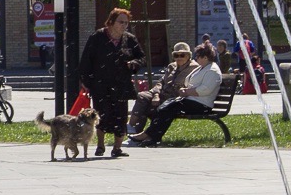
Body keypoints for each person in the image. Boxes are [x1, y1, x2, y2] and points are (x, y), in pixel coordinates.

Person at [77, 8, 144, 158]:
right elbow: (86, 60)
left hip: (121, 84)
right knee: (101, 114)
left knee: (120, 116)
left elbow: (141, 57)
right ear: (111, 22)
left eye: (126, 23)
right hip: (100, 83)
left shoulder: (129, 39)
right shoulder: (97, 37)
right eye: (121, 22)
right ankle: (100, 145)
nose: (124, 25)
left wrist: (134, 63)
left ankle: (117, 148)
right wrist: (86, 80)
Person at [129, 45, 223, 146]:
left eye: (198, 56)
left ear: (205, 57)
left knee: (168, 108)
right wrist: (185, 90)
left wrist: (187, 92)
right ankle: (152, 137)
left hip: (202, 104)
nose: (196, 58)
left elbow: (205, 90)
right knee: (164, 108)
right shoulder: (203, 68)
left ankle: (148, 135)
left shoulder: (212, 71)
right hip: (192, 100)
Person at [128, 42, 196, 133]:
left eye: (182, 55)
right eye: (176, 55)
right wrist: (156, 94)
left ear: (188, 56)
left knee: (147, 107)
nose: (179, 58)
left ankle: (137, 131)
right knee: (142, 96)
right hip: (161, 94)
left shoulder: (194, 68)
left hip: (175, 98)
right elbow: (161, 82)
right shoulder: (172, 66)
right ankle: (132, 127)